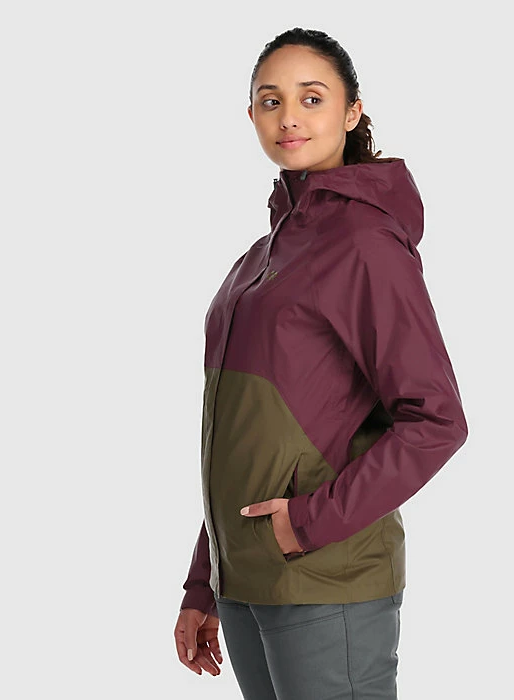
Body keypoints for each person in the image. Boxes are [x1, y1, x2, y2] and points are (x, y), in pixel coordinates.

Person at [173, 27, 468, 699]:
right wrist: (204, 581)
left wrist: (307, 523)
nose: (289, 117)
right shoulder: (261, 258)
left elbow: (436, 421)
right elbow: (243, 438)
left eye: (312, 98)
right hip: (247, 581)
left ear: (352, 111)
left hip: (326, 582)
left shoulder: (364, 241)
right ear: (251, 115)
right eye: (270, 100)